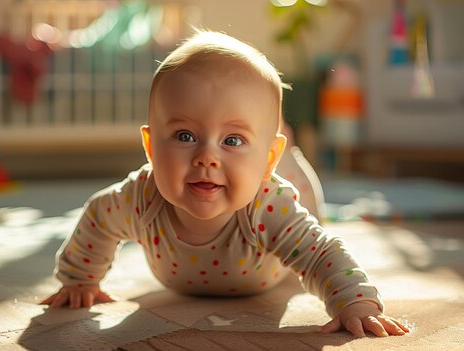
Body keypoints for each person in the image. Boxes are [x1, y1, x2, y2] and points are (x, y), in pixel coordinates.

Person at [41, 30, 408, 338]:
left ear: (267, 159)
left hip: (275, 246)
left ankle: (287, 153)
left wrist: (354, 301)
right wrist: (79, 279)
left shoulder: (267, 207)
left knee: (304, 203)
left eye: (232, 140)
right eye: (184, 135)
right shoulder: (140, 197)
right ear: (151, 148)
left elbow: (321, 252)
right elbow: (98, 219)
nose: (206, 157)